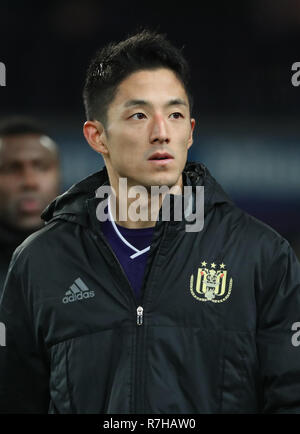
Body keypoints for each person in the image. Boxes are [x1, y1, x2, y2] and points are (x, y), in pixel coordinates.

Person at [1, 30, 300, 414]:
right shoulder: (39, 262)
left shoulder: (260, 254)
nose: (161, 132)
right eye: (139, 115)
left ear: (190, 132)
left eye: (175, 115)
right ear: (97, 136)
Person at [0, 117, 60, 294]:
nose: (29, 182)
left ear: (59, 175)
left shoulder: (93, 257)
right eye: (11, 168)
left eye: (41, 167)